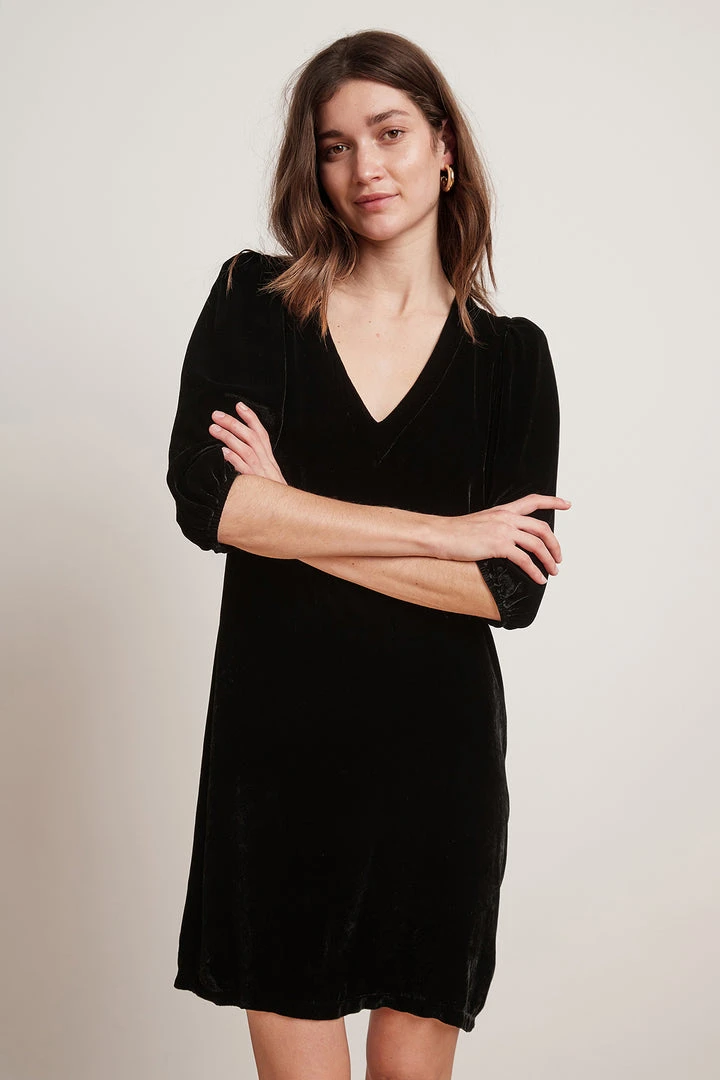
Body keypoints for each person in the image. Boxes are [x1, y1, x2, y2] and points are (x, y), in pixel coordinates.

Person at [166, 28, 570, 1080]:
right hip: (275, 764)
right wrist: (443, 532)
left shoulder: (512, 359)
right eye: (335, 146)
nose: (364, 168)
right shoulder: (256, 303)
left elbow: (507, 589)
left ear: (444, 148)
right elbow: (211, 503)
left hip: (439, 769)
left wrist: (288, 513)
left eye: (388, 133)